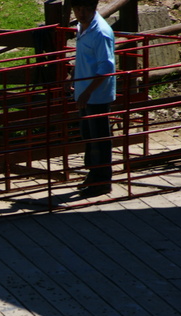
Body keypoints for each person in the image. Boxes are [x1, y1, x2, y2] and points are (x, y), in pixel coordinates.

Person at [71, 0, 116, 198]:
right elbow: (83, 58)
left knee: (99, 137)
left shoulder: (100, 33)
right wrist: (72, 77)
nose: (80, 13)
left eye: (84, 9)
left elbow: (106, 67)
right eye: (77, 8)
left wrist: (87, 91)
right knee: (89, 136)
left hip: (95, 95)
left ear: (93, 8)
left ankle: (103, 179)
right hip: (84, 92)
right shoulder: (82, 27)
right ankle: (94, 174)